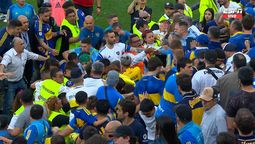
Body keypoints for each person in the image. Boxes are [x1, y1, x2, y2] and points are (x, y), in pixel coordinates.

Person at [0, 37, 47, 114]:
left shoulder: (24, 52)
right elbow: (2, 64)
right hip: (10, 83)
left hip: (20, 80)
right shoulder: (8, 55)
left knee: (27, 96)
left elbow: (35, 56)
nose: (23, 45)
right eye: (21, 44)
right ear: (15, 46)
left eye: (23, 43)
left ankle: (26, 111)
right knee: (8, 104)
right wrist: (1, 71)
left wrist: (46, 59)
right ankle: (6, 120)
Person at [156, 58, 193, 122]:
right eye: (189, 67)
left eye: (192, 66)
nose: (192, 69)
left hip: (165, 112)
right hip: (167, 117)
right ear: (181, 69)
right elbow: (182, 106)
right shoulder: (177, 82)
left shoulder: (176, 77)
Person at [226, 66, 255, 133]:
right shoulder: (235, 97)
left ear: (239, 80)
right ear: (252, 77)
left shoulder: (234, 98)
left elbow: (230, 126)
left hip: (240, 136)